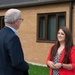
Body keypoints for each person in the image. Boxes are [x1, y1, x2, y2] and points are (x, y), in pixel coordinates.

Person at [0, 9, 29, 75]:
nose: (21, 21)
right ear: (15, 21)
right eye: (20, 19)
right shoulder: (13, 38)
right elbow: (17, 62)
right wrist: (27, 66)